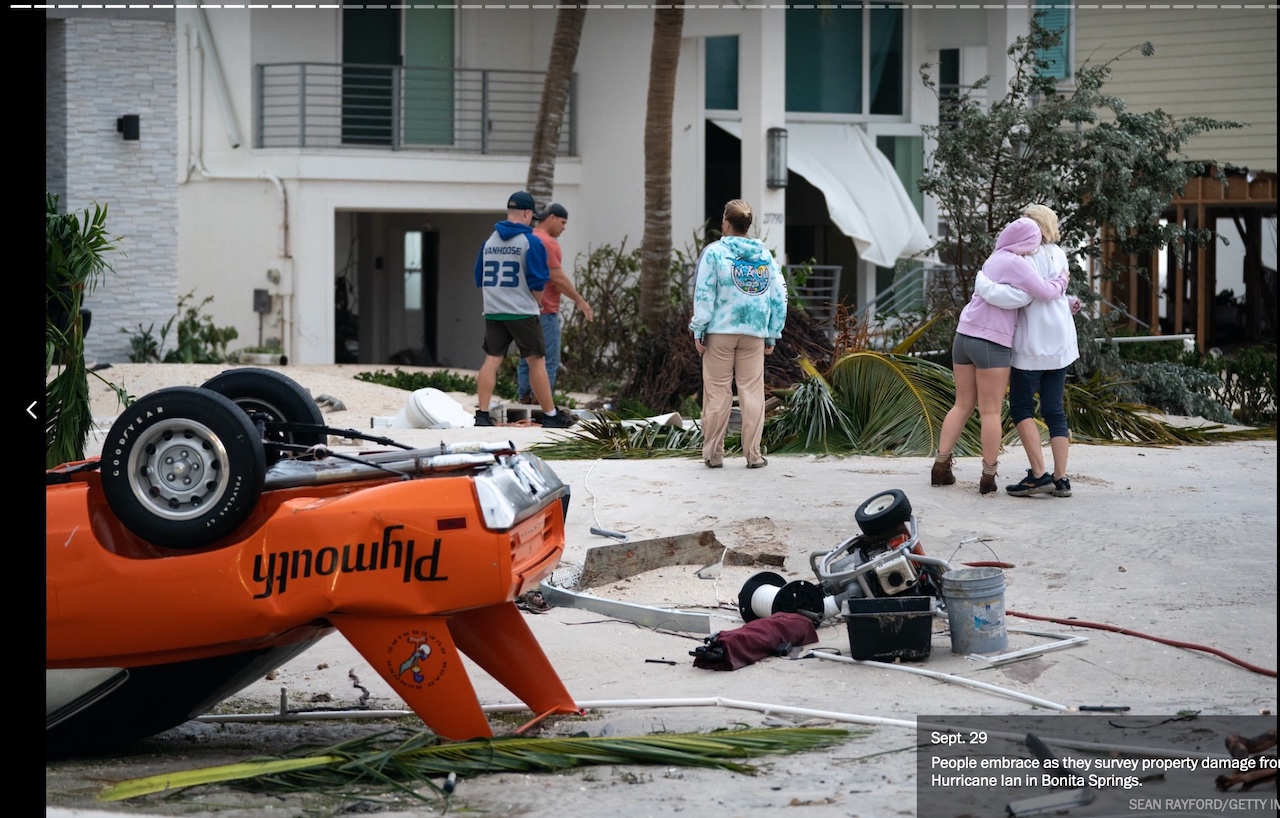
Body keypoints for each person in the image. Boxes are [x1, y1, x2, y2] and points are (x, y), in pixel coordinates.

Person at [930, 216, 1068, 494]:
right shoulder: (1019, 264)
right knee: (990, 411)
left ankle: (940, 467)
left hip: (963, 336)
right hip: (991, 343)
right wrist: (1063, 283)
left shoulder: (993, 259)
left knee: (961, 405)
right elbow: (1042, 292)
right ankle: (988, 477)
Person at [974, 204, 1081, 498]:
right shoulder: (1059, 254)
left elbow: (1021, 296)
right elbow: (1054, 292)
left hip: (1031, 343)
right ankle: (1061, 478)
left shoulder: (1019, 257)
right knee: (1055, 410)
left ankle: (1037, 474)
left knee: (1021, 407)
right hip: (1060, 342)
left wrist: (982, 284)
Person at [689, 199, 788, 470]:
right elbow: (779, 295)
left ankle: (714, 454)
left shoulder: (714, 253)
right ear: (748, 224)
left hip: (720, 331)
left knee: (718, 392)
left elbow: (704, 293)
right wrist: (772, 332)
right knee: (752, 392)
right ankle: (753, 455)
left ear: (726, 222)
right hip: (754, 333)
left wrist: (699, 328)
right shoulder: (765, 255)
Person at [472, 191, 575, 429]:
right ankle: (550, 415)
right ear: (528, 214)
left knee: (492, 359)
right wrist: (535, 302)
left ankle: (483, 414)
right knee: (536, 362)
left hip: (494, 311)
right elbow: (539, 281)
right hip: (522, 310)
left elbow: (479, 277)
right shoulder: (530, 242)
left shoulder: (489, 241)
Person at [516, 203, 594, 404]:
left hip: (523, 310)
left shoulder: (527, 238)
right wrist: (580, 301)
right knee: (548, 360)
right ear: (551, 218)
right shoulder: (548, 243)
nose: (564, 228)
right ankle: (542, 402)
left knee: (527, 359)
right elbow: (557, 278)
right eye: (562, 222)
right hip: (545, 310)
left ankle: (525, 398)